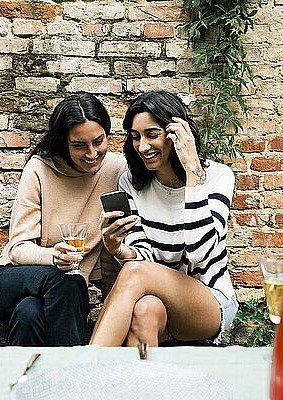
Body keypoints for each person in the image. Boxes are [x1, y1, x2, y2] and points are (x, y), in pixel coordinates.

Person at [90, 91, 238, 347]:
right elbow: (144, 257)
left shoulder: (217, 177)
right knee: (144, 310)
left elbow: (199, 252)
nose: (142, 146)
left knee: (134, 273)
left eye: (152, 135)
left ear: (176, 134)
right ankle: (139, 385)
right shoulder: (132, 183)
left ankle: (88, 365)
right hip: (155, 296)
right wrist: (118, 248)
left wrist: (193, 170)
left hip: (210, 301)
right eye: (135, 137)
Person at [0, 92, 126, 346]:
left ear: (107, 135)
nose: (92, 153)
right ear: (63, 142)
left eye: (98, 141)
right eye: (79, 145)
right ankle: (73, 377)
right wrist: (53, 256)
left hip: (64, 294)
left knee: (30, 314)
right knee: (67, 277)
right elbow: (17, 249)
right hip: (13, 278)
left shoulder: (117, 169)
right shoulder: (39, 168)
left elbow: (112, 252)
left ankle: (23, 384)